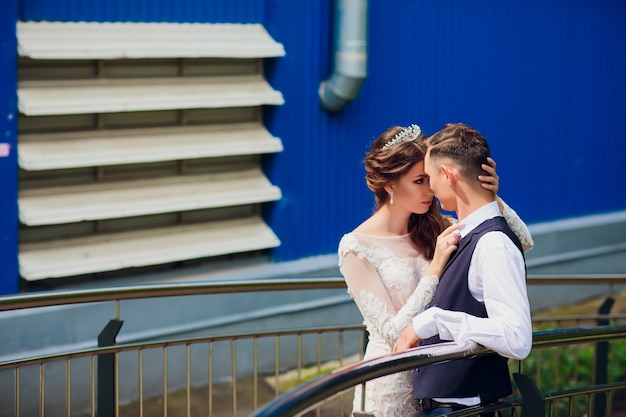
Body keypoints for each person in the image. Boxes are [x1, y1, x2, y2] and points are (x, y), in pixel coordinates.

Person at [339, 124, 533, 417]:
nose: (430, 189)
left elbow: (522, 242)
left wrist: (491, 196)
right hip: (392, 385)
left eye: (430, 178)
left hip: (441, 386)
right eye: (420, 180)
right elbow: (394, 335)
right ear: (390, 185)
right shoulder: (356, 247)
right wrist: (436, 267)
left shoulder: (437, 225)